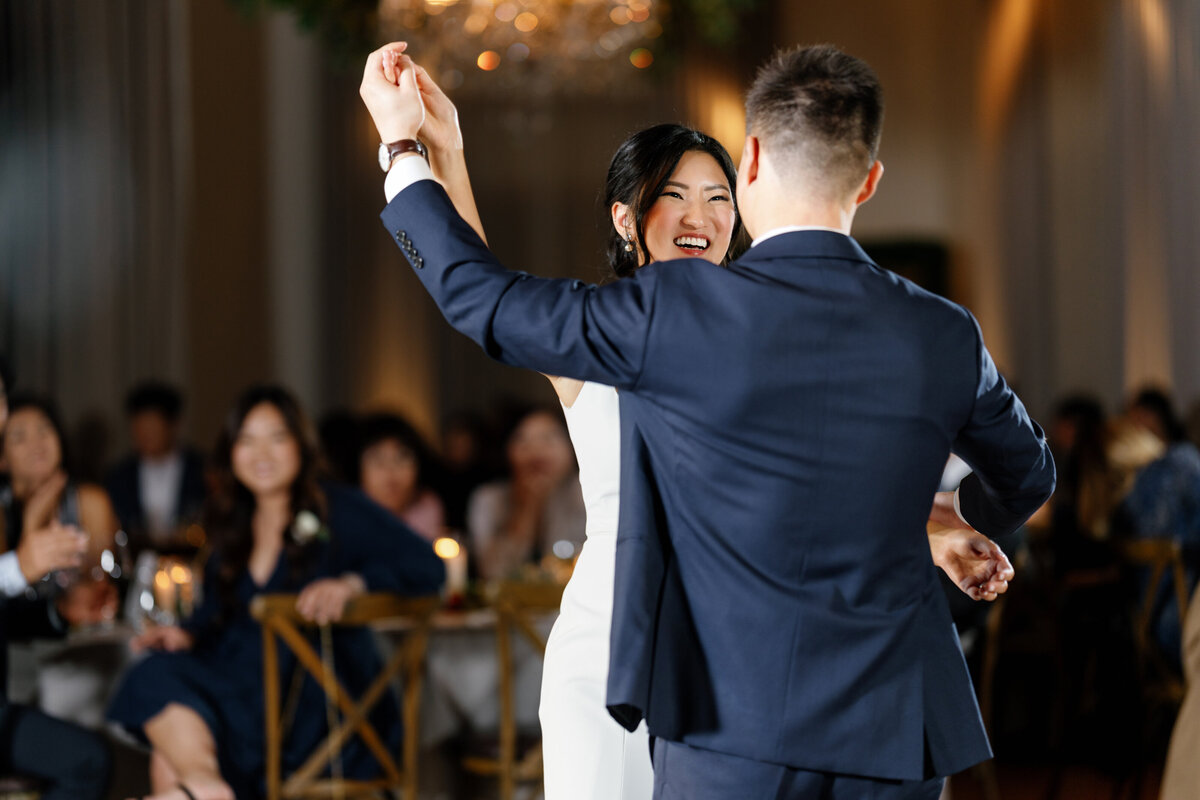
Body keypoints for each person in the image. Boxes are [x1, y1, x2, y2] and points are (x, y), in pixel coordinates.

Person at [362, 45, 1045, 799]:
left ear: (750, 164)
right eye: (672, 195)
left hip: (727, 706)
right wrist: (955, 514)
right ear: (871, 179)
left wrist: (402, 151)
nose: (698, 215)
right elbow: (1025, 473)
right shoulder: (942, 329)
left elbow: (484, 299)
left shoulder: (674, 318)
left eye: (714, 194)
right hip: (873, 711)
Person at [106, 385, 445, 800]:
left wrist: (352, 584)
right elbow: (216, 606)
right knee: (155, 672)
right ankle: (204, 784)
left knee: (170, 736)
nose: (260, 453)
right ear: (231, 452)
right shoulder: (234, 522)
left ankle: (202, 786)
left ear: (300, 445)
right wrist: (188, 634)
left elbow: (428, 565)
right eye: (246, 440)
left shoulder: (335, 508)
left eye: (276, 438)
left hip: (310, 708)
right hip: (241, 692)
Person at [0, 358, 113, 799]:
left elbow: (104, 574)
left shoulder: (86, 498)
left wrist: (60, 610)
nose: (35, 444)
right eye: (18, 436)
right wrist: (20, 559)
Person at [466, 407, 585, 581]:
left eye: (548, 438)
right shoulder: (488, 498)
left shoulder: (586, 493)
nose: (535, 449)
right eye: (522, 439)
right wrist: (527, 507)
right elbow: (493, 574)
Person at [105, 381, 207, 554]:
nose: (145, 436)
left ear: (174, 426)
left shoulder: (202, 471)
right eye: (138, 428)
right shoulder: (119, 476)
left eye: (152, 427)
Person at [357, 411, 445, 541]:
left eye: (402, 458)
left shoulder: (428, 507)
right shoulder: (344, 516)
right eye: (378, 460)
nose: (390, 472)